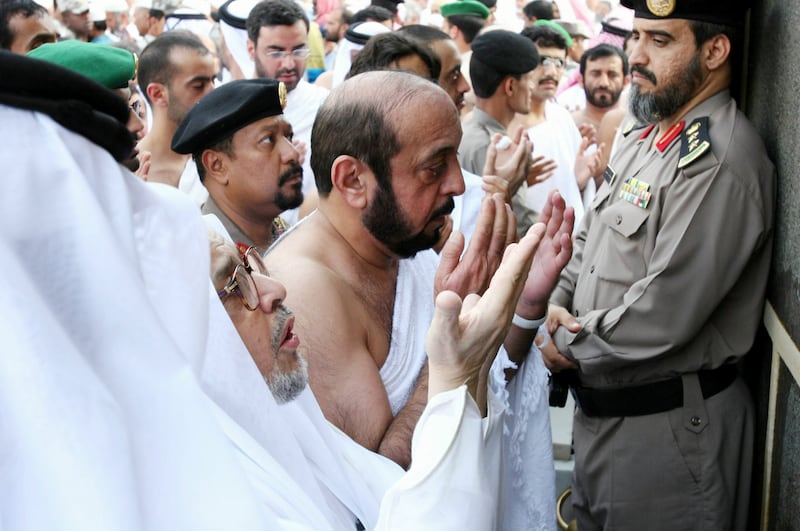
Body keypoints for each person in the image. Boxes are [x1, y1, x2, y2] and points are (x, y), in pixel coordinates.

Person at [0, 49, 559, 531]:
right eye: (230, 285)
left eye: (288, 134)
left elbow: (380, 499)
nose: (271, 288)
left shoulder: (267, 404)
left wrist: (519, 313)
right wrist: (451, 372)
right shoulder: (190, 466)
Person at [543, 1, 775, 529]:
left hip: (668, 434)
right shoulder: (643, 130)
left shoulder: (719, 160)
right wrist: (557, 302)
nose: (637, 56)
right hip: (605, 417)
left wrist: (563, 340)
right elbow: (593, 241)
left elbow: (663, 313)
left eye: (660, 41)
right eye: (637, 36)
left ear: (715, 51)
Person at [172, 79, 303, 253]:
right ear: (217, 166)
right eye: (267, 140)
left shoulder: (282, 233)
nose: (292, 153)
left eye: (288, 137)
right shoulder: (204, 260)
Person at [511, 23, 602, 231]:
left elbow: (572, 192)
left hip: (570, 246)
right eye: (542, 61)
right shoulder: (506, 128)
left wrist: (579, 181)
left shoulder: (561, 117)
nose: (552, 71)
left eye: (559, 62)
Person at [246, 0, 330, 224]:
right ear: (251, 49)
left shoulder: (326, 106)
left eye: (299, 50)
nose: (289, 63)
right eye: (276, 52)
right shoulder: (228, 110)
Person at [459, 29, 547, 236]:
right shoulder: (496, 146)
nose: (532, 87)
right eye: (529, 79)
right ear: (510, 86)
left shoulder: (466, 129)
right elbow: (517, 221)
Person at [137, 31, 216, 202]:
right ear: (157, 94)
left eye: (213, 81)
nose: (212, 93)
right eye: (198, 86)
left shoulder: (221, 159)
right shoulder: (132, 171)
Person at [570, 43, 629, 140]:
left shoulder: (634, 129)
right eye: (595, 74)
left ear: (626, 82)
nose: (604, 83)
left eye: (612, 75)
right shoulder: (568, 126)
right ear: (581, 80)